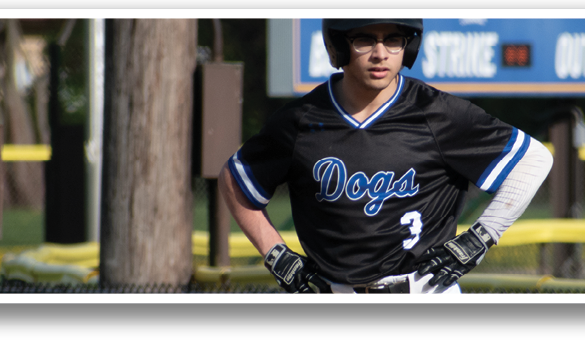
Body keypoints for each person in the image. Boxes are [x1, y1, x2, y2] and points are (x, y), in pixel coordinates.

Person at [218, 19, 553, 294]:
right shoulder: (301, 120)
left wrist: (479, 238)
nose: (380, 54)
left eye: (393, 40)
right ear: (338, 45)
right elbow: (235, 177)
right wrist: (275, 254)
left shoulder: (437, 113)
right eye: (364, 40)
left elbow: (534, 160)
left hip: (426, 290)